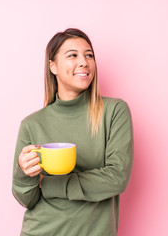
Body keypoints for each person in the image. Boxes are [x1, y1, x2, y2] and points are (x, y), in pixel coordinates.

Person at [12, 28, 134, 236]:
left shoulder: (114, 111)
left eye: (89, 55)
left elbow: (116, 177)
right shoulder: (32, 124)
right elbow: (27, 199)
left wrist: (50, 185)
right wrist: (25, 175)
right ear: (53, 67)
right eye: (72, 55)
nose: (84, 62)